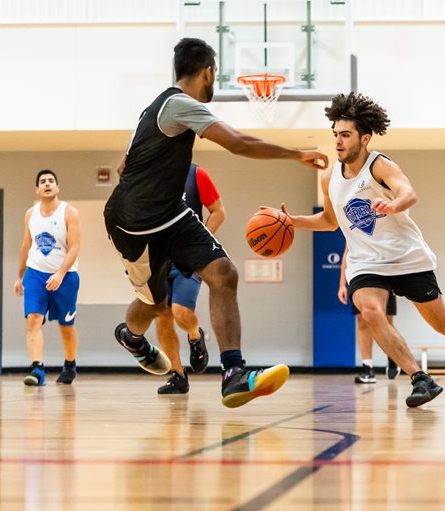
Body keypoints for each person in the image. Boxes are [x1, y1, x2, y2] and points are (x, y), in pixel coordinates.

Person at [103, 37, 328, 408]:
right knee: (156, 304)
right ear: (207, 70)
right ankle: (131, 336)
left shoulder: (152, 111)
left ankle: (233, 374)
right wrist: (296, 154)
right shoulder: (178, 104)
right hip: (134, 224)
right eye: (215, 75)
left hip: (170, 213)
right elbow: (237, 142)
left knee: (224, 273)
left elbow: (124, 166)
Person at [284, 92, 445, 408]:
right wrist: (290, 221)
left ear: (365, 138)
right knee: (369, 311)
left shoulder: (380, 165)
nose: (338, 141)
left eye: (345, 135)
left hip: (406, 257)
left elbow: (409, 193)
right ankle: (420, 378)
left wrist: (393, 205)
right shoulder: (329, 178)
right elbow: (328, 221)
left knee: (443, 325)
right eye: (335, 134)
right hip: (366, 262)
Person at [156, 164, 226, 395]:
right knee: (162, 317)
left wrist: (199, 243)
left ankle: (195, 336)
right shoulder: (148, 173)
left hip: (187, 257)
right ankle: (177, 376)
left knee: (180, 312)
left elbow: (218, 211)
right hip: (157, 259)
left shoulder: (195, 174)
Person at [14, 169, 81, 386]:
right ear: (37, 189)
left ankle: (70, 364)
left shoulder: (69, 212)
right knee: (34, 318)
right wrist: (20, 275)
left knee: (65, 325)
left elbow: (75, 247)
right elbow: (26, 245)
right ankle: (37, 369)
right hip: (35, 273)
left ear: (57, 187)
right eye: (43, 181)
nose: (47, 184)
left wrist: (60, 273)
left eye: (51, 181)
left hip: (65, 275)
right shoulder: (30, 214)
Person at [337, 244, 399, 383]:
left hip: (383, 276)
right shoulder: (352, 227)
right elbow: (346, 253)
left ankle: (394, 356)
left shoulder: (382, 227)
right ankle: (368, 368)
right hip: (360, 278)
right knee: (362, 321)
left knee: (386, 322)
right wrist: (342, 284)